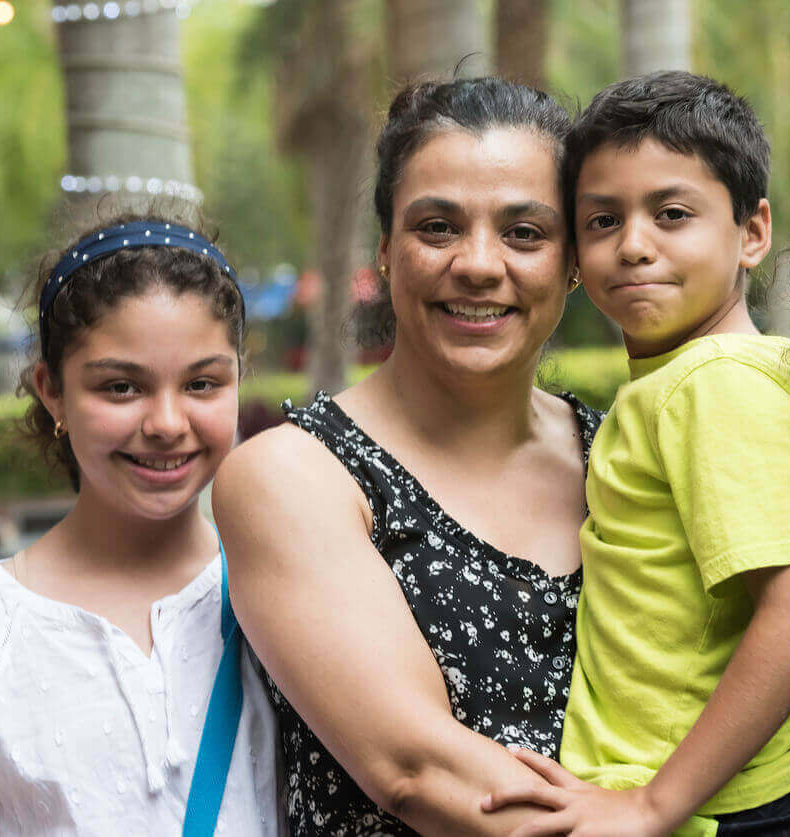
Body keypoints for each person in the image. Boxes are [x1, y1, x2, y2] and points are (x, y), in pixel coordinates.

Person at [212, 77, 602, 836]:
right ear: (387, 251)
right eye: (437, 227)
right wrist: (656, 814)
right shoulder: (295, 474)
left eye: (524, 232)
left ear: (573, 260)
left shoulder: (623, 455)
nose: (479, 264)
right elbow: (418, 771)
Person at [483, 71, 790, 837]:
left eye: (672, 214)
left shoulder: (714, 383)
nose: (634, 245)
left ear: (753, 232)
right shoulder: (681, 382)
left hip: (715, 813)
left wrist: (652, 804)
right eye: (603, 220)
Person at [0, 213, 281, 835]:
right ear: (53, 392)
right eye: (121, 388)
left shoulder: (284, 592)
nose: (168, 422)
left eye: (202, 383)